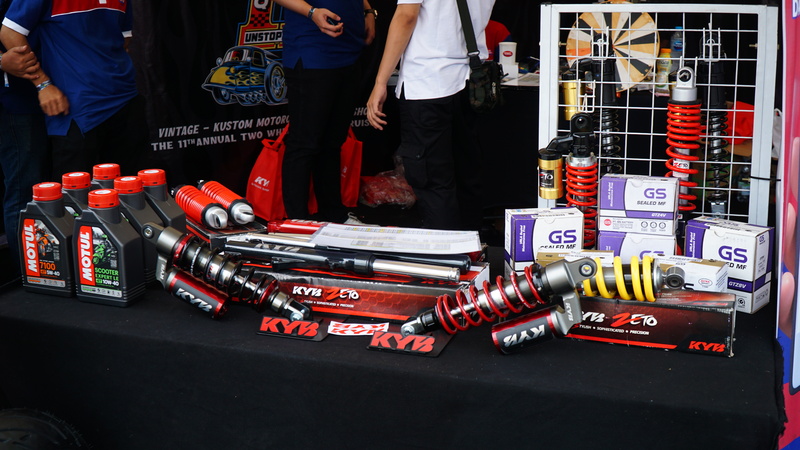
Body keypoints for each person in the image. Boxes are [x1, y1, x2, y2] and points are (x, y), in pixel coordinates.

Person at [366, 0, 494, 231]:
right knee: (466, 176)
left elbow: (406, 16)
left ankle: (445, 251)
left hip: (427, 82)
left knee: (434, 182)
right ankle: (472, 247)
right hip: (470, 82)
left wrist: (380, 81)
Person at [0, 0, 149, 179]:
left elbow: (123, 39)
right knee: (76, 193)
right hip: (77, 108)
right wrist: (43, 84)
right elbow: (10, 32)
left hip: (126, 100)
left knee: (130, 189)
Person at [272, 0, 376, 224]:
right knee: (304, 143)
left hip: (350, 51)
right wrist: (311, 12)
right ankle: (297, 224)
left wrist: (368, 10)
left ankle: (335, 215)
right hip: (312, 52)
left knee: (333, 142)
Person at [0, 0, 47, 280]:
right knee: (24, 191)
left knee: (51, 189)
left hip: (58, 96)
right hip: (16, 102)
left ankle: (54, 271)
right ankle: (29, 276)